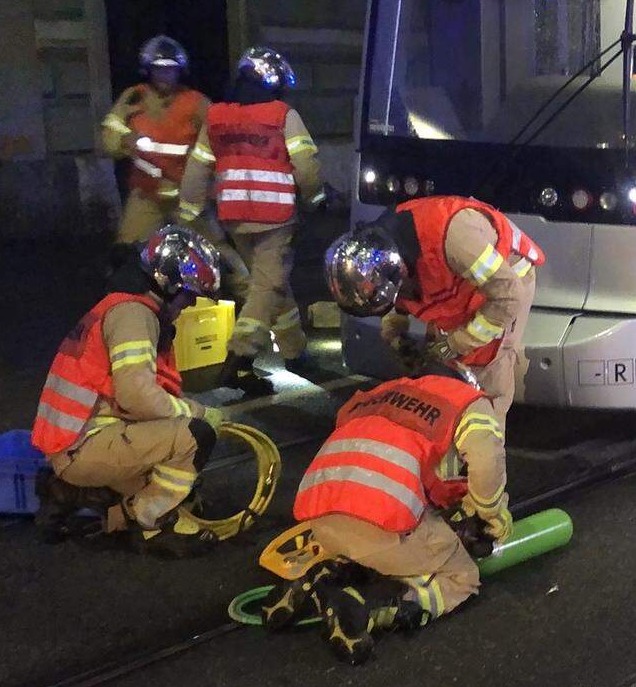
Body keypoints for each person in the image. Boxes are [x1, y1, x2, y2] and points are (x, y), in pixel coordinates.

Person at [279, 363, 510, 665]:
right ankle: (373, 610)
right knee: (462, 577)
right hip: (380, 529)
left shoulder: (379, 394)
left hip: (321, 522)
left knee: (371, 550)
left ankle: (327, 575)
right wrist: (492, 514)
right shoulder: (466, 401)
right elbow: (486, 460)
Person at [31, 227, 224, 558]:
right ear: (169, 284)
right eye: (189, 295)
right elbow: (136, 395)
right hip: (85, 442)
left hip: (77, 438)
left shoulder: (122, 306)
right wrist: (195, 412)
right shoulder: (134, 317)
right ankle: (150, 523)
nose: (190, 303)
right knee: (196, 437)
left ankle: (72, 493)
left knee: (183, 482)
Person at [179, 46, 328, 396]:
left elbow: (198, 167)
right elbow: (306, 166)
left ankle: (294, 351)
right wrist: (317, 199)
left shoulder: (216, 116)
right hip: (275, 219)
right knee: (266, 287)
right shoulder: (282, 114)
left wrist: (190, 211)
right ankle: (238, 361)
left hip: (234, 217)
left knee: (272, 283)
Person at [325, 197, 545, 425]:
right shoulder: (385, 251)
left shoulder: (457, 240)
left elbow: (509, 296)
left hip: (507, 281)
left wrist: (456, 343)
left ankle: (485, 444)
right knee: (444, 371)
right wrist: (395, 336)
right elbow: (397, 300)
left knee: (485, 376)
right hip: (462, 281)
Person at [98, 36, 211, 249]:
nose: (164, 75)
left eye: (170, 69)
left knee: (212, 248)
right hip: (145, 193)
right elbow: (109, 136)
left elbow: (217, 140)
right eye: (158, 69)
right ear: (148, 69)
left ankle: (243, 283)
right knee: (129, 248)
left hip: (186, 194)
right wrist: (125, 140)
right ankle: (132, 282)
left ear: (180, 71)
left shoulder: (196, 102)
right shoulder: (134, 97)